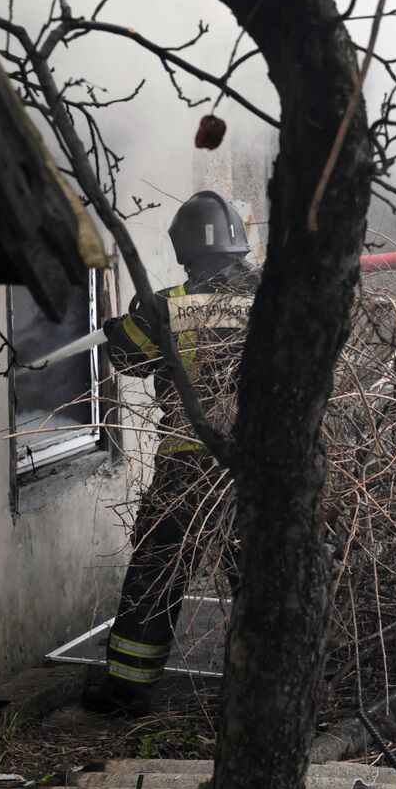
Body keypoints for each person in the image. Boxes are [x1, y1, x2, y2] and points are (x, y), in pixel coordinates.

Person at [81, 190, 261, 716]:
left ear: (184, 247)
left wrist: (118, 327)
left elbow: (127, 358)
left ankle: (128, 692)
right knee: (255, 576)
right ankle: (258, 695)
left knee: (157, 573)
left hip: (186, 465)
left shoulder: (163, 307)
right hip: (257, 469)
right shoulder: (275, 298)